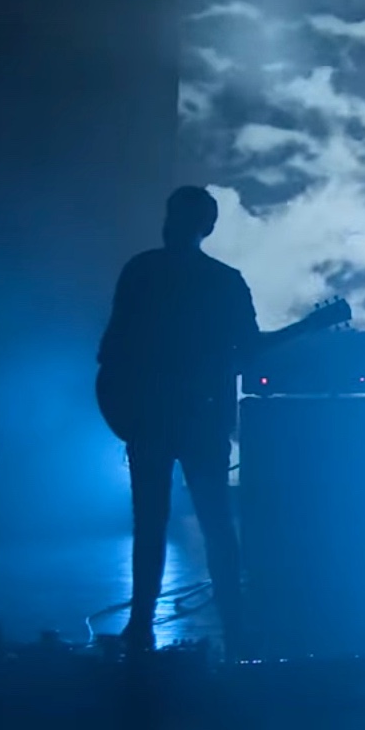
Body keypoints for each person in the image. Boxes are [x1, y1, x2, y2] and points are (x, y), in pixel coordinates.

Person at [96, 187, 258, 648]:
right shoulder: (224, 281)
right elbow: (249, 351)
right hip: (199, 420)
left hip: (149, 418)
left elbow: (109, 349)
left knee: (151, 523)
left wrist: (123, 402)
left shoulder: (141, 271)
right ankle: (234, 630)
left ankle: (141, 625)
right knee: (215, 523)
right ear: (209, 228)